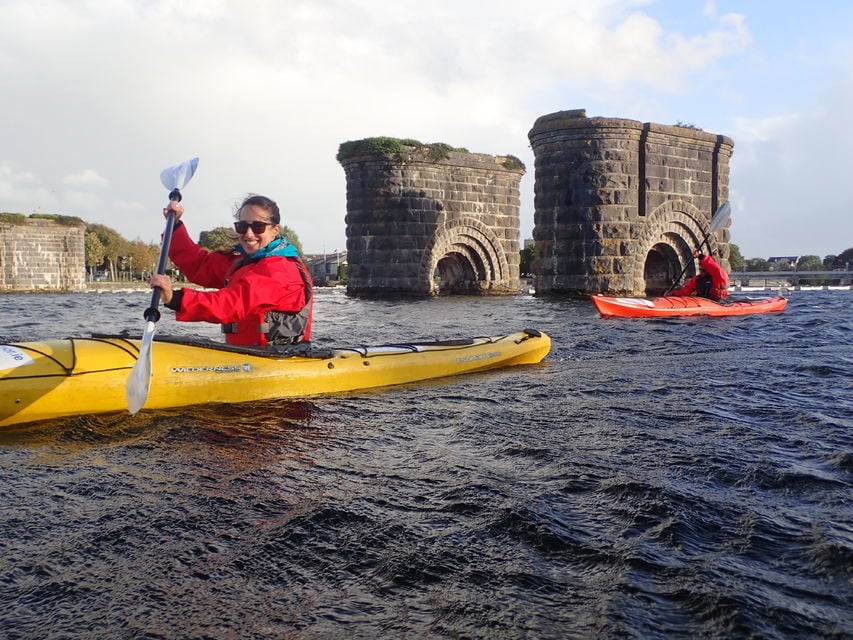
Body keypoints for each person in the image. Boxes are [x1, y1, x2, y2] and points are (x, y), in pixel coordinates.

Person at [146, 194, 313, 347]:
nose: (248, 234)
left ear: (275, 230)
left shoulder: (281, 271)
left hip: (278, 360)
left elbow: (232, 303)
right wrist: (174, 225)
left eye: (258, 227)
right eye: (242, 226)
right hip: (245, 356)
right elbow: (200, 264)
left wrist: (174, 298)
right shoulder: (242, 263)